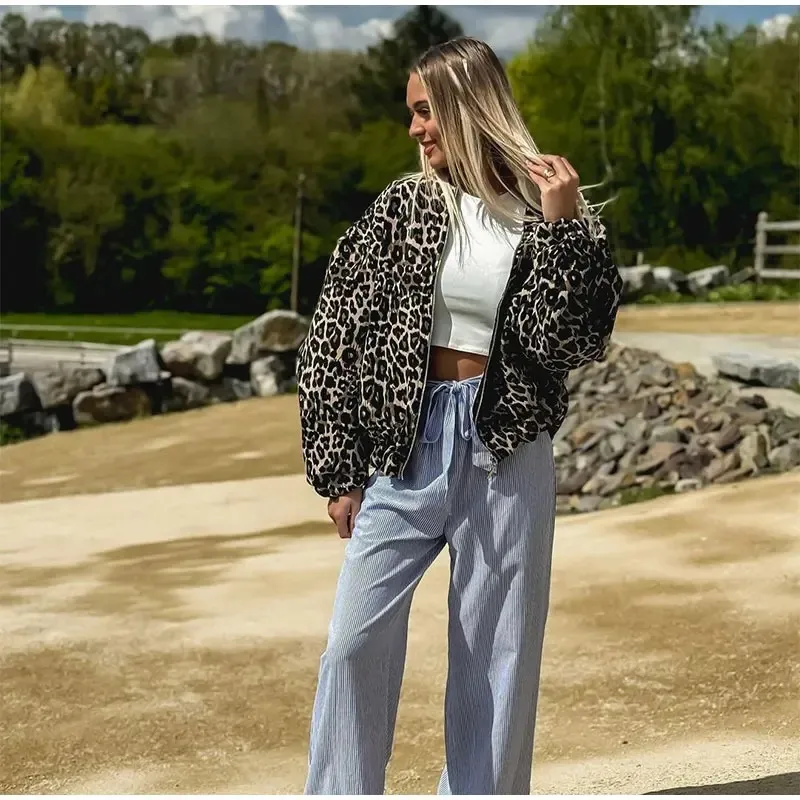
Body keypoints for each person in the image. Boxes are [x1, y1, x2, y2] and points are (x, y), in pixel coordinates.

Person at [296, 36, 622, 795]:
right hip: (403, 447)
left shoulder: (546, 210)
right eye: (411, 112)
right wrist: (337, 468)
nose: (414, 128)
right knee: (352, 643)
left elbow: (567, 343)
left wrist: (562, 229)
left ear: (468, 105)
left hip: (504, 447)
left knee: (497, 655)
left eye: (425, 110)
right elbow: (334, 335)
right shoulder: (402, 207)